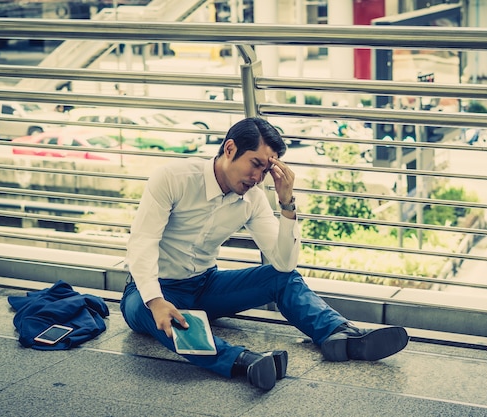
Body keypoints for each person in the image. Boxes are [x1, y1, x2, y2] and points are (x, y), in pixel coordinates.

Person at [120, 117, 409, 391]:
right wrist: (156, 300)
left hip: (206, 285)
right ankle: (244, 362)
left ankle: (341, 336)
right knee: (167, 320)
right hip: (150, 292)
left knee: (283, 279)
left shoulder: (253, 199)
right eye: (255, 164)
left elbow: (284, 263)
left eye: (265, 170)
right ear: (230, 148)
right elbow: (143, 241)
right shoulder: (173, 178)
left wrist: (287, 202)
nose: (258, 178)